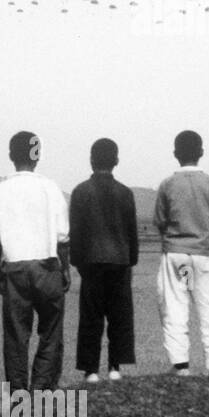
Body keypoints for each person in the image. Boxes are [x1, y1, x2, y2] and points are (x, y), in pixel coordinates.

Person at [0, 131, 71, 394]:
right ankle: (43, 390)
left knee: (15, 337)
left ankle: (19, 396)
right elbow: (63, 236)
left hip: (15, 270)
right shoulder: (50, 188)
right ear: (38, 155)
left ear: (11, 156)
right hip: (47, 267)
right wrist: (65, 269)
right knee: (51, 332)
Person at [153, 130, 209, 378]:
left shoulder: (167, 184)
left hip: (177, 257)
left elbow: (160, 220)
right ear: (201, 153)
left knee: (176, 308)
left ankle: (181, 365)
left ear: (175, 154)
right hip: (203, 256)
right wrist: (205, 240)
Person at [69, 138, 140, 382]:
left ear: (91, 160)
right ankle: (115, 366)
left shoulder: (80, 192)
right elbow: (132, 232)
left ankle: (90, 370)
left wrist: (78, 261)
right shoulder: (125, 193)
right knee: (119, 315)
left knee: (91, 317)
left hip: (90, 262)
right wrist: (131, 260)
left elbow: (75, 233)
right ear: (116, 161)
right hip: (120, 260)